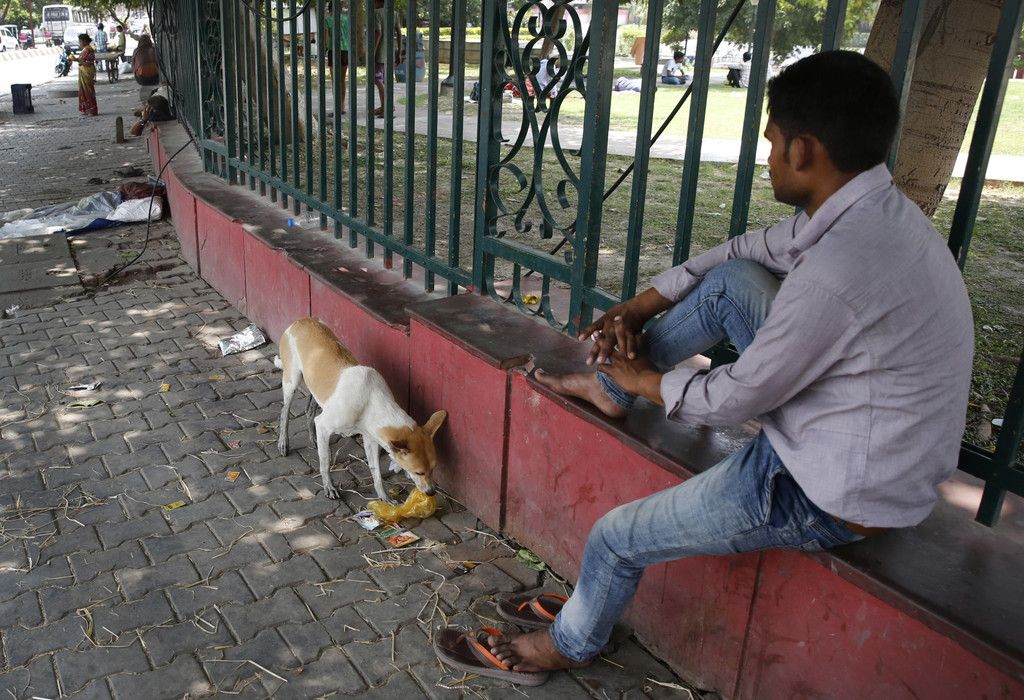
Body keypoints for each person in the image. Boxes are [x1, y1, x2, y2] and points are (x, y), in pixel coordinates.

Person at [443, 51, 974, 681]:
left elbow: (734, 401)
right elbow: (747, 250)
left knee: (616, 537)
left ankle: (569, 643)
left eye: (773, 143)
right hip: (854, 432)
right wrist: (640, 305)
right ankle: (613, 389)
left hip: (831, 490)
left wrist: (650, 379)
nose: (768, 157)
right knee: (733, 280)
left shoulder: (839, 272)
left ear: (804, 151)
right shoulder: (868, 214)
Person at [371, 0, 402, 118]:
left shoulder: (376, 13)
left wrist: (372, 52)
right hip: (390, 54)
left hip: (379, 53)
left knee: (377, 80)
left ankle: (387, 107)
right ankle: (385, 106)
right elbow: (399, 33)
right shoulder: (393, 13)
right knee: (384, 81)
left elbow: (378, 33)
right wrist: (399, 52)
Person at [324, 1, 350, 114]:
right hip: (345, 50)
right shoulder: (346, 19)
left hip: (333, 51)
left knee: (335, 81)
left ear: (329, 9)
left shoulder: (327, 20)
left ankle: (337, 107)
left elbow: (325, 40)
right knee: (342, 80)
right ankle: (342, 106)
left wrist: (325, 49)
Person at [70, 33, 98, 116]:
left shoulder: (88, 49)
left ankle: (92, 110)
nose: (80, 43)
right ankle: (86, 109)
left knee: (88, 91)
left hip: (87, 72)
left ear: (85, 41)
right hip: (83, 71)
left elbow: (88, 63)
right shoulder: (85, 49)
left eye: (80, 41)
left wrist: (77, 60)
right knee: (83, 91)